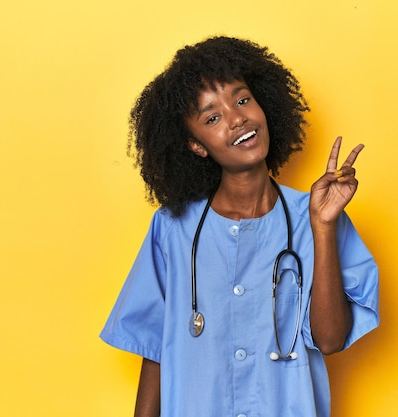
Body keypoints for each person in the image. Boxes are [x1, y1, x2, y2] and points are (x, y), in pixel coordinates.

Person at [100, 36, 379, 417]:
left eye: (243, 99)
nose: (237, 118)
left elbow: (330, 340)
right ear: (196, 145)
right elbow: (155, 349)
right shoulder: (173, 228)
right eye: (212, 117)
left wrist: (324, 227)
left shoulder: (315, 215)